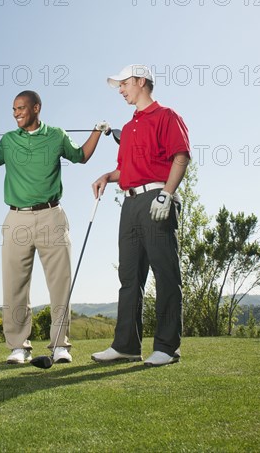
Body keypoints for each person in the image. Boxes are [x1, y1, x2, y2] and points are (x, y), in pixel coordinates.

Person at [0, 90, 109, 364]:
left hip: (51, 215)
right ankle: (18, 346)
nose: (16, 113)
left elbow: (80, 156)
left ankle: (60, 344)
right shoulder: (9, 140)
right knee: (14, 285)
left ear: (36, 108)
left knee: (60, 283)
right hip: (16, 218)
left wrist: (97, 131)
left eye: (21, 108)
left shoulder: (57, 135)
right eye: (13, 109)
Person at [91, 64, 190, 367]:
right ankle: (126, 345)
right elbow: (127, 170)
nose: (120, 91)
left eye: (123, 84)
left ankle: (167, 347)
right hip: (130, 203)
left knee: (165, 273)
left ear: (140, 81)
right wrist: (108, 175)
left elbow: (181, 156)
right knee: (129, 277)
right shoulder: (131, 126)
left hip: (157, 198)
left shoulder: (166, 116)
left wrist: (167, 193)